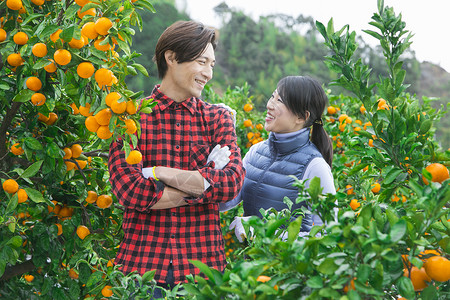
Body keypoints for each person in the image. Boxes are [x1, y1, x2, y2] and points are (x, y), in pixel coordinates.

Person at [108, 20, 245, 297]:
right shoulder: (131, 118)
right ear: (171, 57)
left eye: (212, 65)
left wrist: (157, 172)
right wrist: (204, 181)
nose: (208, 73)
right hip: (141, 269)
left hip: (202, 270)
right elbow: (129, 190)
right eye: (201, 62)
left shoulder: (217, 118)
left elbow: (231, 183)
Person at [221, 75, 336, 241]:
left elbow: (328, 237)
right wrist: (218, 143)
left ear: (302, 117)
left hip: (289, 266)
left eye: (279, 100)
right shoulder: (256, 152)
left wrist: (264, 232)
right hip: (251, 265)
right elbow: (225, 201)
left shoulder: (315, 166)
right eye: (272, 96)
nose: (269, 105)